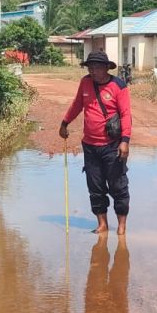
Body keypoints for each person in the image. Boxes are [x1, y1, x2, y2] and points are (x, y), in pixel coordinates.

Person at [59, 50, 132, 235]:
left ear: (107, 68)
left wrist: (125, 141)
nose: (93, 71)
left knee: (118, 186)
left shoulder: (118, 86)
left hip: (112, 146)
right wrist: (65, 122)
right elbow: (77, 104)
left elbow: (125, 114)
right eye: (90, 67)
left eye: (97, 67)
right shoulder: (85, 83)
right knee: (95, 187)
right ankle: (102, 224)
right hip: (90, 146)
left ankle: (121, 226)